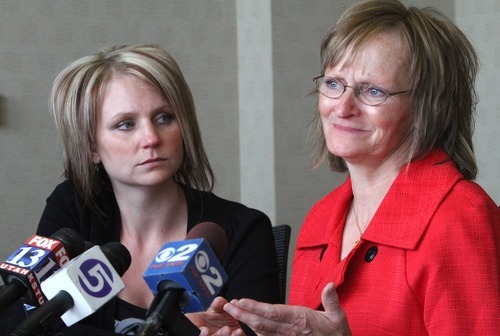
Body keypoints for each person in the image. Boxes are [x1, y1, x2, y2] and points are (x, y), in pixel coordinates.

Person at [217, 0, 500, 335]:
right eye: (334, 84)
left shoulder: (460, 216)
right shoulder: (320, 220)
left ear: (426, 109)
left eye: (373, 91)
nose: (343, 107)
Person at [0, 44, 279, 335]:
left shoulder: (242, 229)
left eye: (164, 118)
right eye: (126, 124)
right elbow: (28, 321)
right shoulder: (74, 209)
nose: (150, 138)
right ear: (92, 146)